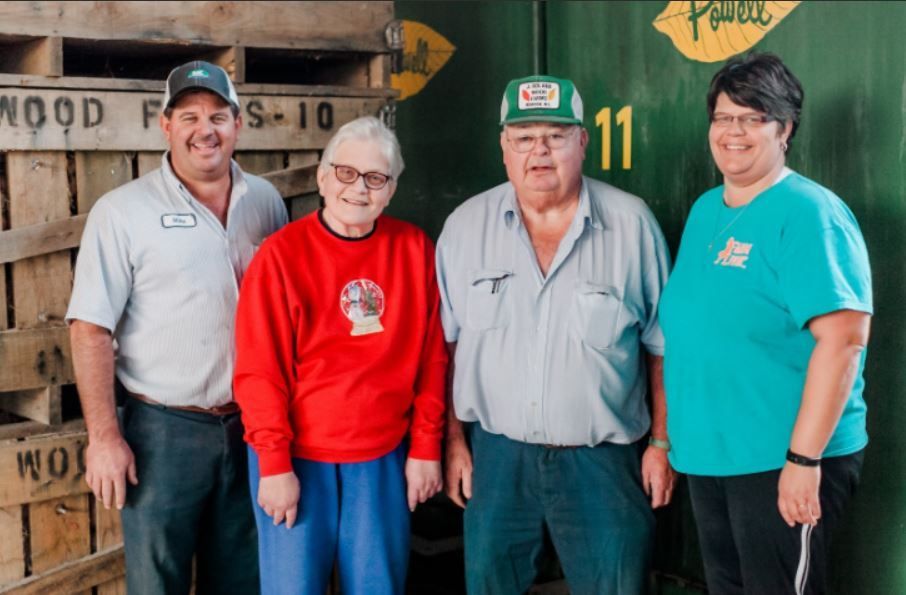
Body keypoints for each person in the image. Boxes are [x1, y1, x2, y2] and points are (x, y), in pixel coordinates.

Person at [437, 75, 675, 595]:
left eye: (556, 135)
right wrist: (454, 441)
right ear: (504, 147)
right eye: (523, 137)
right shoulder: (463, 228)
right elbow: (449, 348)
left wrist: (660, 443)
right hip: (497, 459)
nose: (539, 151)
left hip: (603, 461)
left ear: (582, 141)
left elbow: (661, 346)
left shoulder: (632, 225)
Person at [67, 60, 287, 594]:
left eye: (217, 115)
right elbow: (90, 328)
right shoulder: (123, 212)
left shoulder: (266, 202)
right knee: (157, 583)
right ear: (165, 125)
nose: (204, 130)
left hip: (250, 429)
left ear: (238, 123)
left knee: (242, 579)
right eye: (188, 116)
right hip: (163, 434)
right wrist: (104, 438)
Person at [658, 52, 872, 595]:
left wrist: (803, 458)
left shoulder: (808, 212)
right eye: (723, 117)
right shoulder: (708, 208)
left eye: (753, 118)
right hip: (711, 457)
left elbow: (843, 340)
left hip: (780, 460)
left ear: (785, 128)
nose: (734, 132)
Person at [233, 116, 447, 595]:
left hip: (381, 458)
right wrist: (272, 463)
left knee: (378, 586)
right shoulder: (281, 255)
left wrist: (426, 446)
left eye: (376, 178)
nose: (359, 188)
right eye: (346, 173)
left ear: (391, 190)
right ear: (323, 177)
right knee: (293, 588)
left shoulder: (414, 251)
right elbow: (259, 370)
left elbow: (433, 359)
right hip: (296, 460)